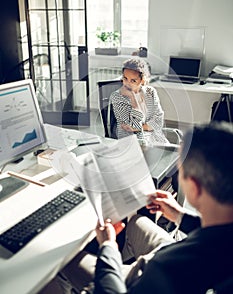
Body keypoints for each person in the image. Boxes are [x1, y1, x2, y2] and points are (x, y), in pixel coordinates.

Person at [41, 122, 233, 293]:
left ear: (194, 186)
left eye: (180, 172)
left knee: (61, 259)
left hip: (137, 279)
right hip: (176, 252)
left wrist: (108, 246)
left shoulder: (167, 271)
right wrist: (179, 215)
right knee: (135, 221)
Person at [110, 57, 168, 145]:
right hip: (132, 141)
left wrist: (140, 127)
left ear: (143, 80)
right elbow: (129, 127)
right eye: (125, 78)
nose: (127, 83)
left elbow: (159, 121)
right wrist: (133, 99)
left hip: (155, 138)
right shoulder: (118, 96)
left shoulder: (150, 92)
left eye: (133, 80)